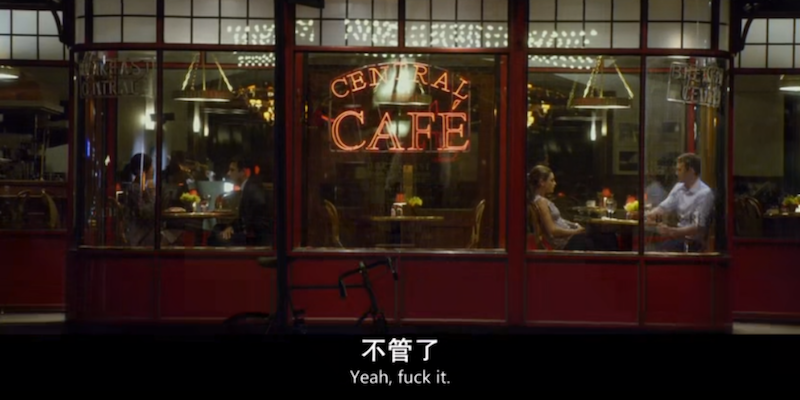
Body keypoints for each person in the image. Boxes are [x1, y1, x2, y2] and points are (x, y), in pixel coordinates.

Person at [645, 153, 715, 252]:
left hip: (693, 243)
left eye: (679, 170)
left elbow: (698, 227)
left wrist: (672, 231)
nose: (676, 173)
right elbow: (663, 207)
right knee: (648, 249)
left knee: (655, 252)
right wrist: (649, 215)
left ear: (691, 171)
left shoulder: (704, 193)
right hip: (677, 239)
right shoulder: (679, 187)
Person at [209, 157, 271, 247]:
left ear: (244, 172)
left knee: (216, 236)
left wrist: (234, 228)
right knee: (217, 229)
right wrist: (232, 227)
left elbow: (253, 219)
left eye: (232, 170)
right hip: (249, 232)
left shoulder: (252, 189)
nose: (228, 173)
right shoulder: (250, 187)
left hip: (254, 237)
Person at [528, 165, 592, 250]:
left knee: (598, 237)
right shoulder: (541, 202)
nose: (555, 183)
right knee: (599, 239)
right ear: (542, 182)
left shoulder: (543, 200)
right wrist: (575, 232)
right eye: (551, 180)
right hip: (566, 243)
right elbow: (552, 231)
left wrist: (574, 225)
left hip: (570, 238)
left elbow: (559, 220)